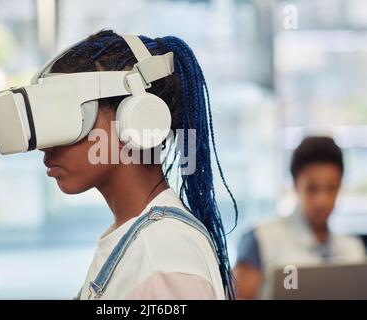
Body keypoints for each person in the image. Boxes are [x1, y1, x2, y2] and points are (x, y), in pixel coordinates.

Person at [39, 30, 238, 299]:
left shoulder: (161, 256)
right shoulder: (141, 241)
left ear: (138, 119)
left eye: (69, 118)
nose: (47, 145)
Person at [234, 136, 366, 299]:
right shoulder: (260, 239)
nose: (322, 201)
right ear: (296, 185)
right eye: (312, 189)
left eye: (331, 188)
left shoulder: (354, 250)